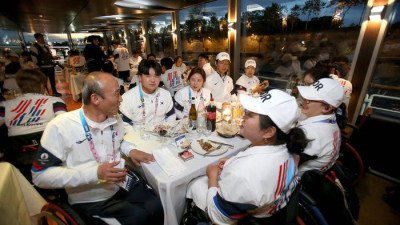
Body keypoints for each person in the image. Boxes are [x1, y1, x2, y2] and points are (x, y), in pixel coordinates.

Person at [32, 72, 164, 225]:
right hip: (91, 199)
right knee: (137, 217)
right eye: (116, 94)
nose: (121, 99)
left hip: (120, 184)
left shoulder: (116, 119)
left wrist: (130, 150)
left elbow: (117, 142)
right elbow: (40, 176)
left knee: (156, 205)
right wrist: (95, 173)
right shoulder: (61, 126)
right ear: (95, 99)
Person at [186, 89, 309, 225]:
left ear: (268, 132)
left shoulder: (243, 174)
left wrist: (212, 176)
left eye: (250, 114)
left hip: (245, 217)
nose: (243, 116)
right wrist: (232, 163)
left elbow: (218, 216)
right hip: (274, 211)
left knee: (194, 184)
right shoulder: (290, 151)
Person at [0, 69, 66, 182]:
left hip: (18, 155)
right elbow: (64, 122)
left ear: (19, 85)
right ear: (42, 84)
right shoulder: (55, 101)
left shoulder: (5, 105)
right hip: (50, 153)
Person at [296, 78, 347, 178]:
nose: (304, 100)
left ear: (326, 108)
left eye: (309, 99)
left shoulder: (311, 133)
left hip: (297, 181)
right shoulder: (331, 120)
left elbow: (283, 163)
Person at [119, 59, 176, 131]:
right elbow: (125, 124)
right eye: (148, 76)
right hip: (138, 138)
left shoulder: (166, 94)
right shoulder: (127, 98)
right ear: (139, 77)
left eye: (156, 76)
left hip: (162, 136)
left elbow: (171, 115)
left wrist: (166, 130)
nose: (153, 80)